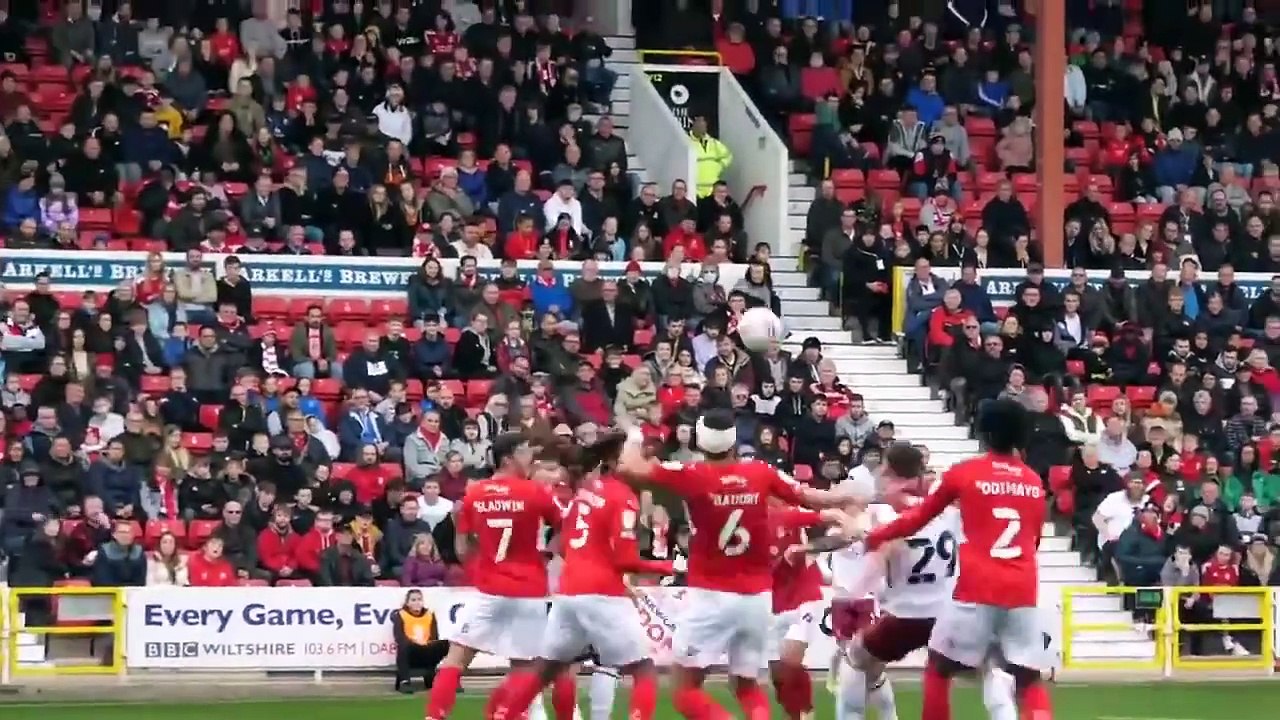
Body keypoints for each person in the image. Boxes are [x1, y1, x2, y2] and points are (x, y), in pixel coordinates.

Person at [614, 409, 841, 720]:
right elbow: (810, 497)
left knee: (684, 690)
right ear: (734, 440)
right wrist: (847, 502)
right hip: (758, 599)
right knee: (746, 685)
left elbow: (629, 467)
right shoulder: (761, 473)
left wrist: (634, 434)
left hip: (711, 595)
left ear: (700, 440)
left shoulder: (692, 474)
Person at [865, 399, 1052, 720]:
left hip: (976, 589)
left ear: (984, 433)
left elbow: (916, 519)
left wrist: (874, 536)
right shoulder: (1034, 481)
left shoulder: (965, 473)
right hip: (1023, 590)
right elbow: (1033, 540)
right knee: (1028, 678)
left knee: (939, 669)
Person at [492, 436, 672, 720]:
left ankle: (505, 715)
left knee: (547, 669)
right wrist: (668, 567)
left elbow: (564, 544)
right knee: (644, 670)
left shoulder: (584, 492)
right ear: (614, 463)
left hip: (568, 591)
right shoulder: (622, 496)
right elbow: (625, 559)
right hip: (601, 593)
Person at [424, 432, 562, 720]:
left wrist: (483, 561)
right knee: (524, 668)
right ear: (509, 458)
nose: (531, 458)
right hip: (529, 590)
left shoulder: (474, 494)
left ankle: (434, 717)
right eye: (525, 452)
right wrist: (547, 554)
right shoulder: (535, 492)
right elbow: (565, 527)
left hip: (489, 589)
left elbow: (461, 549)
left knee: (456, 659)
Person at [392, 588, 450, 693]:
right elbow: (399, 637)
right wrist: (414, 643)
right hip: (411, 651)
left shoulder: (429, 615)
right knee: (404, 646)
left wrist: (428, 645)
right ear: (407, 603)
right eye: (413, 600)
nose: (417, 602)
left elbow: (434, 636)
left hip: (427, 650)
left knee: (446, 644)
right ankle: (404, 682)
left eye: (419, 599)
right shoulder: (401, 615)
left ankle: (448, 678)